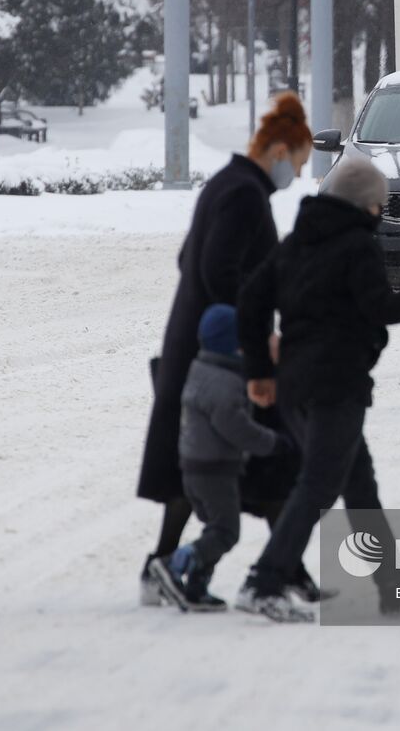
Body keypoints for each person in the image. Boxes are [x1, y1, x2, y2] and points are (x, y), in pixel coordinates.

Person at [234, 155, 400, 622]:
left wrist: (261, 371)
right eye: (379, 205)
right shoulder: (357, 246)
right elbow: (382, 308)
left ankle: (392, 585)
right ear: (368, 206)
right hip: (336, 385)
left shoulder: (295, 244)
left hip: (296, 387)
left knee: (359, 486)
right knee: (318, 486)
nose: (380, 213)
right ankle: (262, 581)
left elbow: (249, 302)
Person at [136, 92, 313, 605]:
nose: (298, 177)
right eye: (298, 163)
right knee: (261, 453)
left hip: (194, 345)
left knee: (194, 460)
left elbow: (188, 257)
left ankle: (163, 567)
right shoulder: (243, 194)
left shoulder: (225, 184)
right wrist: (251, 337)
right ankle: (280, 570)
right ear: (279, 151)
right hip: (220, 354)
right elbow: (219, 271)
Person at [150, 304, 291, 612]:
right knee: (226, 532)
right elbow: (236, 427)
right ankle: (173, 563)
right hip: (215, 469)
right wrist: (272, 443)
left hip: (194, 466)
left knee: (215, 528)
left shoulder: (201, 370)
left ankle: (197, 588)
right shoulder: (225, 384)